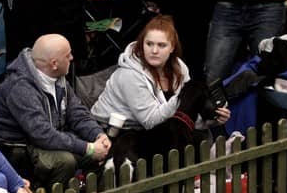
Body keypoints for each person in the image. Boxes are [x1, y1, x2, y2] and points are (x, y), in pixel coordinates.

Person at [0, 35, 107, 192]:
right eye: (67, 55)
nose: (72, 58)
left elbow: (77, 112)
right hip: (17, 148)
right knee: (65, 161)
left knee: (99, 153)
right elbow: (41, 133)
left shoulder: (58, 78)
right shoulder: (21, 87)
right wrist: (88, 148)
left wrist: (97, 135)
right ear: (54, 64)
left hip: (43, 140)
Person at [92, 15, 230, 129]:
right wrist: (184, 96)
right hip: (111, 131)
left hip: (149, 130)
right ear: (142, 44)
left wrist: (213, 120)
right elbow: (151, 122)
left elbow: (186, 113)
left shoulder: (179, 68)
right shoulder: (129, 75)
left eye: (161, 45)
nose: (154, 51)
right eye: (149, 44)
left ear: (172, 47)